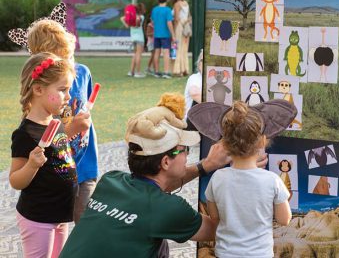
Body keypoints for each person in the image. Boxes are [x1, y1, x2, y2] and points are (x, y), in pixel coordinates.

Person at [60, 93, 257, 258]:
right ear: (165, 162)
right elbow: (218, 230)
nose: (188, 154)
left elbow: (155, 189)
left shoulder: (110, 180)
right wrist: (245, 171)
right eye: (184, 149)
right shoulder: (168, 209)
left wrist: (207, 165)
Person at [188, 100, 296, 258]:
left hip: (225, 254)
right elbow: (284, 219)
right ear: (262, 141)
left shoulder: (217, 178)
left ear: (224, 142)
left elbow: (215, 217)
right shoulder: (273, 181)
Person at [26, 18, 98, 224]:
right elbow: (39, 134)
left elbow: (86, 108)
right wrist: (71, 128)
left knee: (87, 226)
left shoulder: (83, 73)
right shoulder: (38, 88)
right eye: (62, 60)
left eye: (70, 56)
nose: (70, 65)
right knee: (57, 228)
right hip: (56, 171)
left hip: (85, 166)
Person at [9, 52, 77, 258]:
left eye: (69, 90)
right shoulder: (25, 134)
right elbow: (15, 180)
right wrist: (31, 165)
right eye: (62, 90)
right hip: (39, 217)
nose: (68, 96)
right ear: (38, 89)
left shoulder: (55, 123)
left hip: (61, 214)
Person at [168, 0, 191, 77]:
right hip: (186, 27)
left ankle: (178, 70)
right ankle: (185, 69)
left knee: (177, 48)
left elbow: (176, 19)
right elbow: (189, 17)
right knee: (184, 49)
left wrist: (173, 32)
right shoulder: (186, 3)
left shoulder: (177, 4)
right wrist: (186, 22)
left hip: (179, 27)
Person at [151, 0, 175, 79]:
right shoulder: (168, 10)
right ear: (166, 0)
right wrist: (173, 34)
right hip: (165, 35)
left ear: (158, 0)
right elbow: (169, 23)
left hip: (156, 34)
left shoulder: (154, 10)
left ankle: (156, 72)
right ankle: (166, 72)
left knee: (156, 52)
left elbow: (152, 22)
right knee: (166, 53)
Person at [121, 3, 146, 78]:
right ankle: (138, 72)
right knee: (138, 55)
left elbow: (122, 19)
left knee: (135, 54)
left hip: (133, 38)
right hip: (140, 38)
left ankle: (131, 72)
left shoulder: (131, 18)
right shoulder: (141, 17)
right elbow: (138, 23)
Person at [184, 49, 203, 121]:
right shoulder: (194, 78)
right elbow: (195, 94)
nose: (203, 62)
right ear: (198, 63)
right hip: (191, 123)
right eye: (201, 60)